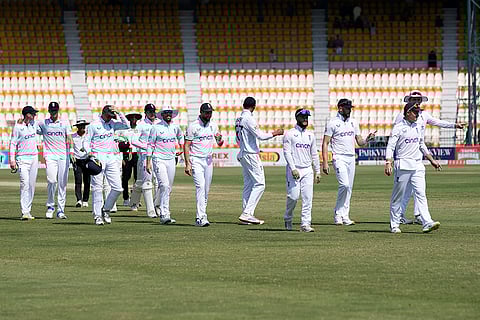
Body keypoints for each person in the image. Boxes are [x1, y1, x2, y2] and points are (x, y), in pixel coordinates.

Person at [395, 91, 465, 225]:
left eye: (419, 99)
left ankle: (418, 215)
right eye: (414, 99)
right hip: (405, 156)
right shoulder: (401, 116)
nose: (417, 102)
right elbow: (396, 136)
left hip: (418, 154)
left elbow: (438, 123)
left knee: (418, 190)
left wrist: (454, 125)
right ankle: (400, 216)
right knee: (406, 190)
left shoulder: (424, 115)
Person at [385, 102, 442, 234]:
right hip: (403, 164)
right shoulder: (398, 128)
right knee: (398, 196)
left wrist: (431, 160)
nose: (418, 114)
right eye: (415, 112)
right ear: (408, 113)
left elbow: (421, 145)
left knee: (421, 194)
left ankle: (427, 222)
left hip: (417, 165)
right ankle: (394, 224)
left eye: (418, 112)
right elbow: (390, 146)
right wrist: (388, 161)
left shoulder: (418, 127)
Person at [322, 99, 376, 225]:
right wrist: (325, 162)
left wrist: (368, 139)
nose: (349, 110)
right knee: (344, 185)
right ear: (340, 108)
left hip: (351, 157)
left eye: (350, 108)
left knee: (349, 188)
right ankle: (337, 213)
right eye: (347, 108)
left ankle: (345, 216)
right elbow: (325, 143)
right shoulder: (332, 123)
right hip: (339, 157)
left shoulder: (353, 122)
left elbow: (360, 142)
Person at [235, 97, 284, 225]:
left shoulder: (238, 118)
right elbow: (261, 136)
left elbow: (241, 138)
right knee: (260, 184)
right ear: (254, 106)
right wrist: (276, 133)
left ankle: (246, 214)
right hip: (250, 154)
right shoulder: (249, 119)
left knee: (249, 184)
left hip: (243, 153)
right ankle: (247, 213)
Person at [85, 105, 130, 225]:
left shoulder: (113, 123)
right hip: (98, 156)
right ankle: (97, 215)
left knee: (117, 188)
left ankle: (106, 209)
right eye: (109, 116)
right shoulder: (93, 125)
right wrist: (90, 154)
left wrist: (119, 112)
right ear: (103, 113)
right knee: (97, 188)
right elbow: (86, 141)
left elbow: (127, 125)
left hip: (110, 157)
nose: (111, 118)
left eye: (112, 116)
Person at [184, 103, 224, 227]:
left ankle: (201, 215)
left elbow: (220, 143)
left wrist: (220, 139)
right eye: (206, 112)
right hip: (196, 159)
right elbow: (186, 145)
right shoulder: (193, 126)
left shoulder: (213, 126)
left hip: (208, 160)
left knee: (206, 189)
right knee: (200, 187)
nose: (209, 115)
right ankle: (201, 217)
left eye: (210, 112)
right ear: (201, 112)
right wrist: (188, 164)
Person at [283, 108, 322, 232]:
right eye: (303, 117)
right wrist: (293, 168)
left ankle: (305, 224)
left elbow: (314, 154)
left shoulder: (310, 135)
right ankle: (288, 218)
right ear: (297, 118)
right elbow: (287, 152)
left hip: (307, 170)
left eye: (307, 117)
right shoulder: (289, 134)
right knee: (293, 197)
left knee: (307, 198)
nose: (305, 119)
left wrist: (318, 171)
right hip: (294, 170)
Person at [146, 106, 184, 224]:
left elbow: (180, 137)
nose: (168, 115)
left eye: (170, 113)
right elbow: (150, 145)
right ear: (162, 115)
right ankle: (164, 214)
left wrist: (181, 148)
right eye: (166, 113)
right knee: (164, 185)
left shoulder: (175, 127)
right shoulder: (156, 128)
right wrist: (148, 162)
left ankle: (159, 206)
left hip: (171, 159)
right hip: (158, 159)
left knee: (168, 187)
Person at [37, 102, 73, 219]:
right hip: (50, 156)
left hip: (63, 156)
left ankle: (61, 210)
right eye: (52, 111)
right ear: (48, 111)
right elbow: (32, 128)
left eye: (55, 111)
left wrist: (71, 151)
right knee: (52, 180)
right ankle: (50, 206)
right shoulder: (43, 123)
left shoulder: (64, 123)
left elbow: (69, 137)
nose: (53, 113)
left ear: (58, 111)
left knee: (62, 183)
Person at [9, 106, 40, 220]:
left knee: (31, 185)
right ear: (27, 114)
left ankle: (28, 210)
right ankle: (24, 212)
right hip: (22, 159)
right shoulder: (18, 127)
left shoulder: (34, 124)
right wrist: (12, 160)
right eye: (33, 114)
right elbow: (13, 143)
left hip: (34, 158)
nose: (34, 115)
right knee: (25, 184)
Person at [130, 103, 159, 218]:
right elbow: (134, 140)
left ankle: (157, 207)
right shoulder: (141, 125)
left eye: (153, 111)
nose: (152, 114)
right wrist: (147, 146)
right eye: (150, 112)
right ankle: (149, 210)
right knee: (145, 182)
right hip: (144, 157)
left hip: (157, 156)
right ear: (145, 113)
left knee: (158, 182)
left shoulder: (158, 123)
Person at [116, 112, 141, 206]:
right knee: (126, 177)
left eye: (135, 119)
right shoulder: (124, 130)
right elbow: (120, 144)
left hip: (137, 155)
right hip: (126, 155)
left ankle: (135, 199)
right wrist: (121, 157)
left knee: (137, 178)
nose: (133, 120)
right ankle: (126, 198)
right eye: (131, 118)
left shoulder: (140, 130)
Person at [72, 119, 91, 208]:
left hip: (87, 159)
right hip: (77, 160)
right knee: (78, 180)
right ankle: (79, 200)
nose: (82, 128)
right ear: (78, 127)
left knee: (87, 181)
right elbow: (71, 147)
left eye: (84, 126)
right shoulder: (73, 136)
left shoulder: (88, 136)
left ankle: (85, 200)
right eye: (81, 126)